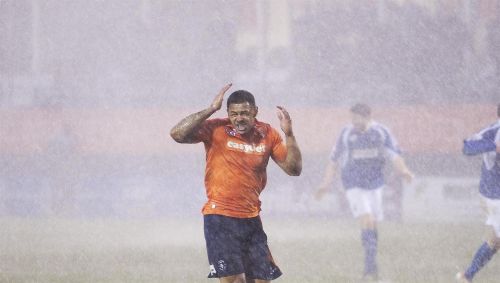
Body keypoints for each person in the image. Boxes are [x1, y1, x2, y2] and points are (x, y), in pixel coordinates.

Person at [170, 83, 302, 283]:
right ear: (228, 113)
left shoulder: (268, 134)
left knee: (260, 281)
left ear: (255, 112)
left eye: (245, 113)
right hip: (220, 218)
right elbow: (177, 134)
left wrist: (289, 134)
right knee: (235, 281)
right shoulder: (216, 129)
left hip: (251, 218)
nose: (239, 118)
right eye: (234, 113)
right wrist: (210, 109)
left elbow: (293, 169)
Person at [315, 103, 413, 281]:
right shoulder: (346, 133)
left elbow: (394, 155)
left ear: (367, 117)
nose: (352, 121)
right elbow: (334, 160)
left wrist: (404, 170)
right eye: (351, 118)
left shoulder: (381, 132)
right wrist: (325, 183)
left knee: (373, 224)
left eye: (356, 118)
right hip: (353, 183)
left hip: (375, 183)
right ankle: (368, 271)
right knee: (366, 220)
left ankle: (372, 268)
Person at [456, 104, 500, 283]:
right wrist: (493, 147)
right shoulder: (492, 132)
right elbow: (467, 147)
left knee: (495, 240)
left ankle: (467, 276)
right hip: (494, 195)